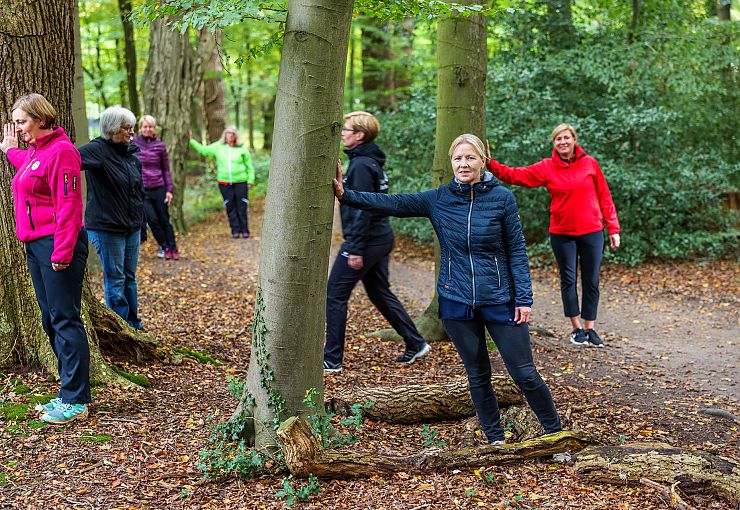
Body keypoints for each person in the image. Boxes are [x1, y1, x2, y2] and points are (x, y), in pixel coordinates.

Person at [333, 133, 561, 444]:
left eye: (470, 158)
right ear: (451, 162)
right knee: (478, 375)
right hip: (456, 303)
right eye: (458, 158)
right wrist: (346, 195)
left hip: (501, 301)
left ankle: (556, 435)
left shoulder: (502, 198)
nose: (464, 163)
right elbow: (393, 202)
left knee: (524, 374)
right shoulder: (438, 199)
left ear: (482, 161)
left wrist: (523, 298)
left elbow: (517, 251)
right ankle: (495, 439)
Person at [486, 124, 620, 347]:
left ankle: (591, 329)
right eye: (558, 139)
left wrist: (613, 228)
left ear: (574, 140)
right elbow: (516, 175)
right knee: (568, 279)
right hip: (562, 233)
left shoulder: (590, 163)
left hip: (593, 231)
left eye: (566, 138)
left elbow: (604, 196)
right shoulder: (547, 167)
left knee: (591, 280)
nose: (563, 142)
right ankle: (576, 329)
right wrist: (491, 164)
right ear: (554, 143)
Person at [1, 93, 90, 424]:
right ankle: (69, 391)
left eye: (22, 122)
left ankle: (76, 401)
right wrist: (9, 150)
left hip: (58, 244)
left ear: (40, 118)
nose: (19, 128)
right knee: (50, 319)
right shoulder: (37, 152)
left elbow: (69, 205)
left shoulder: (63, 152)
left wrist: (63, 252)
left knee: (65, 319)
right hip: (36, 245)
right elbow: (28, 169)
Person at [323, 112, 430, 373]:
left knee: (334, 294)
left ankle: (332, 359)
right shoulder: (368, 162)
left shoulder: (361, 166)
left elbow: (365, 208)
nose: (342, 134)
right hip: (380, 237)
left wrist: (356, 248)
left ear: (359, 135)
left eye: (346, 130)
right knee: (379, 292)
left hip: (368, 241)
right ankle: (416, 342)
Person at [79, 106, 145, 330]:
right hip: (107, 228)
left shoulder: (131, 155)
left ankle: (134, 325)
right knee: (115, 279)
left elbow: (138, 194)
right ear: (113, 129)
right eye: (127, 128)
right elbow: (66, 162)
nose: (132, 133)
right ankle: (121, 327)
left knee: (129, 277)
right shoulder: (97, 149)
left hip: (131, 228)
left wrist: (141, 225)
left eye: (132, 128)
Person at [189, 126, 254, 238]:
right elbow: (204, 151)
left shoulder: (242, 148)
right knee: (230, 206)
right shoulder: (218, 147)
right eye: (228, 133)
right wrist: (191, 141)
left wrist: (250, 180)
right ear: (225, 135)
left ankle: (245, 230)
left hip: (241, 182)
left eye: (232, 133)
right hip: (224, 183)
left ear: (236, 136)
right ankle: (235, 230)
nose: (230, 135)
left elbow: (249, 166)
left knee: (242, 206)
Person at [132, 115, 179, 260]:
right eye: (145, 126)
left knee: (165, 219)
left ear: (154, 128)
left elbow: (166, 169)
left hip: (159, 187)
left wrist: (169, 190)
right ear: (140, 128)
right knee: (152, 221)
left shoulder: (160, 145)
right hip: (143, 190)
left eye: (150, 126)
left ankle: (173, 248)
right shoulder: (134, 143)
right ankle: (164, 247)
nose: (148, 129)